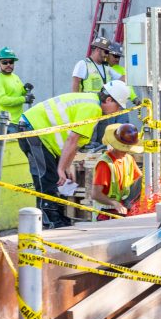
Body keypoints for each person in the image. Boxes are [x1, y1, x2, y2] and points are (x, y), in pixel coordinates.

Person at [17, 80, 132, 229]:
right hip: (32, 129)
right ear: (109, 99)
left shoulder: (91, 104)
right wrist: (61, 168)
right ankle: (49, 219)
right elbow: (72, 139)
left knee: (57, 178)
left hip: (38, 132)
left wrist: (66, 166)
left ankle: (57, 216)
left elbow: (75, 143)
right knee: (47, 176)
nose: (117, 111)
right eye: (118, 106)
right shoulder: (92, 108)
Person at [90, 123, 144, 220]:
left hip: (123, 209)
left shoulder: (129, 159)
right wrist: (114, 203)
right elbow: (95, 194)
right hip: (105, 213)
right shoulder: (105, 164)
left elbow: (140, 181)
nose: (126, 151)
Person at [0, 47, 30, 129]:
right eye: (4, 62)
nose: (8, 65)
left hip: (17, 122)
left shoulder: (15, 77)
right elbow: (2, 100)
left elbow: (19, 93)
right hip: (3, 124)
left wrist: (25, 89)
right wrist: (24, 99)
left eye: (11, 62)